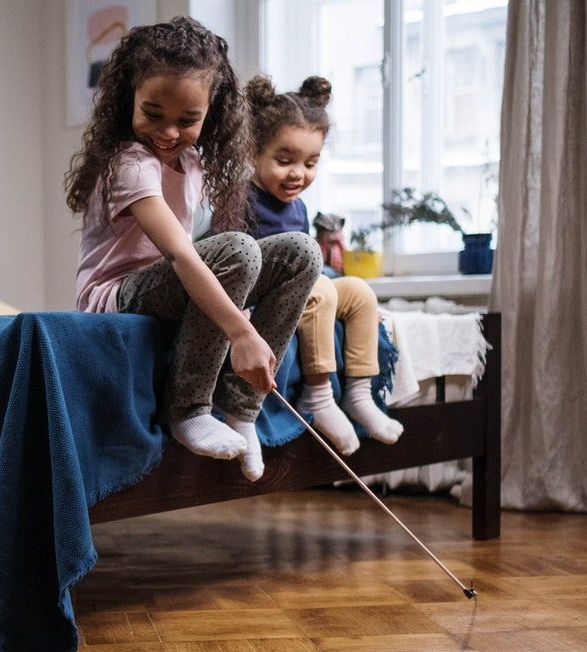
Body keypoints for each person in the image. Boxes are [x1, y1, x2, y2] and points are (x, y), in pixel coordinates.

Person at [66, 17, 320, 481]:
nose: (167, 132)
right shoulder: (130, 163)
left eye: (187, 120)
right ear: (128, 101)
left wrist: (234, 306)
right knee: (238, 250)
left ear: (211, 113)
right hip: (115, 296)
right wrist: (239, 332)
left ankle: (242, 410)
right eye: (153, 113)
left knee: (300, 252)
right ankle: (188, 408)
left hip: (167, 285)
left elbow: (202, 255)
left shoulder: (193, 162)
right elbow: (185, 255)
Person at [245, 74, 403, 455]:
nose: (299, 173)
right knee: (319, 290)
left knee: (359, 292)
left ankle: (359, 394)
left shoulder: (298, 207)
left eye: (310, 163)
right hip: (270, 297)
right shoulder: (243, 200)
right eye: (285, 161)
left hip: (305, 286)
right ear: (254, 152)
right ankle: (318, 396)